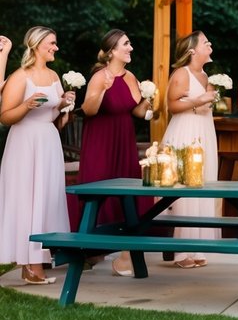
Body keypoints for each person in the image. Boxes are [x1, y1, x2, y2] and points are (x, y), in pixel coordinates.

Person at [74, 29, 156, 276]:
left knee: (128, 192)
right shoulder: (101, 76)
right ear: (112, 51)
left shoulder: (131, 76)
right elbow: (88, 110)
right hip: (101, 140)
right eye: (126, 44)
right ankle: (89, 250)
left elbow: (136, 112)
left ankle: (125, 254)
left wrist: (149, 101)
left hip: (124, 139)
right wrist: (101, 90)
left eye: (130, 43)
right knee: (99, 189)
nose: (131, 48)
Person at [0, 26, 75, 284]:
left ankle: (38, 262)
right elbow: (6, 116)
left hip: (48, 142)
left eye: (55, 43)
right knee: (28, 200)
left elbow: (53, 117)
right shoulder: (20, 76)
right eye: (52, 43)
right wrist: (26, 105)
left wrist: (63, 105)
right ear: (37, 45)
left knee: (46, 199)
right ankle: (30, 265)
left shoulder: (54, 75)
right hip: (25, 144)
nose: (55, 47)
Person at [161, 31, 220, 268]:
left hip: (204, 130)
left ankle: (198, 246)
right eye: (206, 42)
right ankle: (182, 251)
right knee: (185, 187)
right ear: (193, 50)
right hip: (185, 132)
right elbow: (172, 105)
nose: (210, 44)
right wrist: (199, 100)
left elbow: (200, 103)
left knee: (202, 184)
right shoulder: (181, 74)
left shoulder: (204, 75)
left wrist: (208, 100)